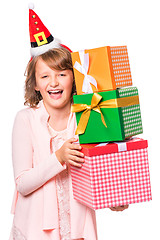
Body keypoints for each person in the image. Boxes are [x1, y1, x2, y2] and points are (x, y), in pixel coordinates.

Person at [9, 5, 128, 240]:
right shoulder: (26, 119)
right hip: (36, 233)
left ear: (74, 78)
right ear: (35, 84)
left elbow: (97, 170)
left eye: (62, 74)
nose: (54, 82)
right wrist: (59, 157)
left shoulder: (88, 114)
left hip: (78, 230)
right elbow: (22, 184)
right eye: (45, 76)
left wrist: (115, 197)